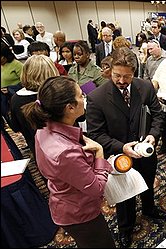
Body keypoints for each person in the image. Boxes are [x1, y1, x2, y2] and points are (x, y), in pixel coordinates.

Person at [21, 76, 115, 248]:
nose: (84, 97)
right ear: (70, 107)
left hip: (66, 198)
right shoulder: (65, 153)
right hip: (80, 213)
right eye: (81, 95)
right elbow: (96, 189)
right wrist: (100, 153)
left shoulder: (44, 126)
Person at [86, 47, 165, 248]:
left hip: (146, 151)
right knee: (125, 196)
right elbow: (96, 135)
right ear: (109, 71)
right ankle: (125, 228)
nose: (121, 81)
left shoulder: (145, 87)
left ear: (135, 72)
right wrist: (122, 147)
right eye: (117, 76)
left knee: (148, 183)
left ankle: (149, 209)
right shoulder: (97, 97)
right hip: (120, 155)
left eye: (127, 76)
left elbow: (158, 115)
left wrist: (153, 136)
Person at [10, 54, 59, 156]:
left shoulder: (16, 99)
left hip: (37, 150)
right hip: (65, 147)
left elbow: (15, 127)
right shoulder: (57, 93)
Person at [1, 42, 23, 125]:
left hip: (14, 97)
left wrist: (10, 89)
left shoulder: (16, 64)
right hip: (3, 99)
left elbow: (25, 82)